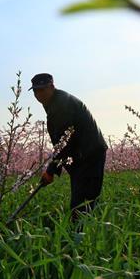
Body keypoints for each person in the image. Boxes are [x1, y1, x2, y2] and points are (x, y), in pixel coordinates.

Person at [31, 73, 108, 218]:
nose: (38, 94)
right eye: (35, 90)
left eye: (42, 89)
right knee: (80, 202)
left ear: (52, 87)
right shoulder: (54, 103)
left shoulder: (62, 104)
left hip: (90, 154)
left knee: (82, 203)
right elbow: (62, 143)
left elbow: (63, 141)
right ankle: (83, 231)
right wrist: (53, 169)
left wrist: (51, 170)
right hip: (80, 155)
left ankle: (84, 235)